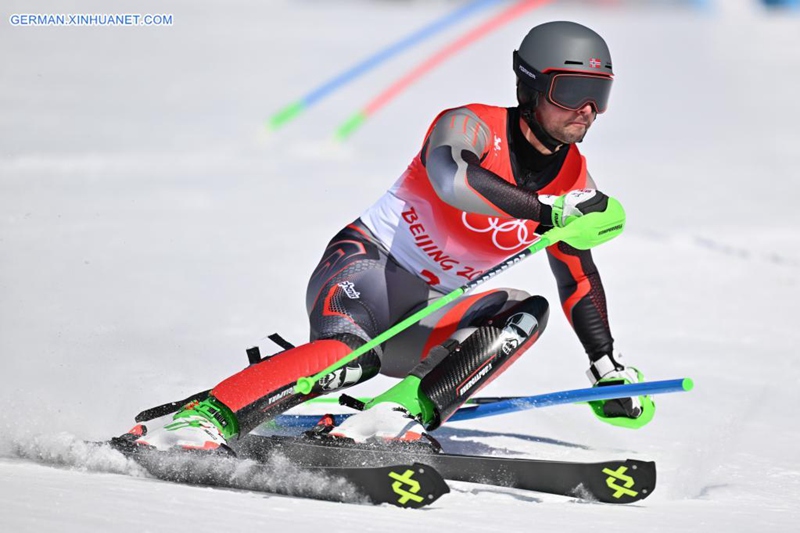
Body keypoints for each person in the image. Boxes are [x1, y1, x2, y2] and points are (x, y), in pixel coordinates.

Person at [131, 21, 654, 453]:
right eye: (572, 92)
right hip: (365, 269)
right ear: (529, 86)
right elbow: (453, 178)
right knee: (349, 357)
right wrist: (545, 210)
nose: (586, 110)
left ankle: (393, 414)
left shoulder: (573, 182)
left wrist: (606, 366)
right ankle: (204, 417)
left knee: (526, 309)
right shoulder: (469, 124)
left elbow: (577, 275)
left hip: (425, 312)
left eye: (599, 95)